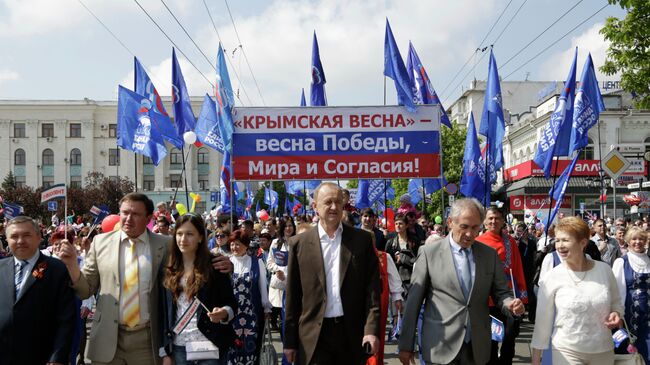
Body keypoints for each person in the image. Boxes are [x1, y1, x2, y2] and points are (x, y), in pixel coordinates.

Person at [58, 193, 233, 364]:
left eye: (135, 214)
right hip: (108, 338)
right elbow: (85, 290)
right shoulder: (100, 243)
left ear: (149, 217)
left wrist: (226, 264)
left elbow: (194, 257)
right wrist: (72, 265)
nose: (128, 218)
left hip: (147, 341)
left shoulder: (165, 244)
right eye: (125, 213)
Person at [398, 198, 525, 365]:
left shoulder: (489, 255)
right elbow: (413, 302)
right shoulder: (429, 253)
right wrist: (406, 345)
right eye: (464, 227)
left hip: (477, 347)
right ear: (450, 222)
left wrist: (511, 304)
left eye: (475, 228)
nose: (470, 234)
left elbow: (502, 292)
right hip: (439, 346)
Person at [284, 182, 381, 365]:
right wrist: (290, 342)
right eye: (328, 202)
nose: (334, 207)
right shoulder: (299, 244)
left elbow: (372, 291)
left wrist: (371, 330)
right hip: (314, 338)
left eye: (338, 202)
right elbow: (293, 296)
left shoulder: (362, 240)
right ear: (315, 206)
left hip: (351, 334)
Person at [531, 217, 623, 365]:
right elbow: (542, 321)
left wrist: (616, 313)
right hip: (565, 350)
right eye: (558, 240)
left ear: (583, 243)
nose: (560, 245)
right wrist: (536, 359)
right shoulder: (552, 277)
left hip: (603, 350)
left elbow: (616, 303)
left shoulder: (604, 270)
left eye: (566, 240)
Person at [160, 214, 237, 365]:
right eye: (179, 234)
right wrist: (164, 350)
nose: (183, 239)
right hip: (179, 346)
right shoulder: (168, 268)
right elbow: (164, 312)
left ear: (201, 237)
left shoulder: (216, 265)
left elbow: (231, 304)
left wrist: (224, 313)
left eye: (189, 234)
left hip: (210, 344)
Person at [0, 216, 76, 364]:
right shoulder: (0, 268)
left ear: (38, 237)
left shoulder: (57, 269)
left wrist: (57, 358)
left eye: (26, 235)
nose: (20, 241)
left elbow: (65, 319)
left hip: (41, 356)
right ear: (7, 240)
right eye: (14, 236)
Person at [476, 207, 528, 365]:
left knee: (510, 336)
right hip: (488, 299)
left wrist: (522, 296)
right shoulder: (478, 242)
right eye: (490, 218)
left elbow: (517, 267)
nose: (493, 221)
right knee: (491, 340)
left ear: (503, 221)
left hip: (509, 295)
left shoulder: (510, 241)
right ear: (484, 221)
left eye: (497, 218)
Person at [228, 230, 272, 364]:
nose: (234, 247)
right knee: (232, 348)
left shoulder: (257, 263)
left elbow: (262, 287)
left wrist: (266, 308)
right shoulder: (227, 262)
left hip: (252, 315)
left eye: (238, 244)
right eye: (232, 244)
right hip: (232, 315)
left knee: (251, 347)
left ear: (246, 245)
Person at [612, 226, 650, 363]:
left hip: (648, 319)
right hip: (629, 319)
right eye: (634, 239)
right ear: (628, 241)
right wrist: (619, 317)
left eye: (641, 239)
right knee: (630, 357)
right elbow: (616, 291)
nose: (637, 242)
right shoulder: (621, 262)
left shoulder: (649, 259)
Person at [267, 216, 295, 331]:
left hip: (294, 284)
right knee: (283, 316)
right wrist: (276, 269)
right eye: (286, 226)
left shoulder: (298, 241)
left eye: (290, 226)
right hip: (280, 285)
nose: (288, 228)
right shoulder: (276, 243)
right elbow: (269, 263)